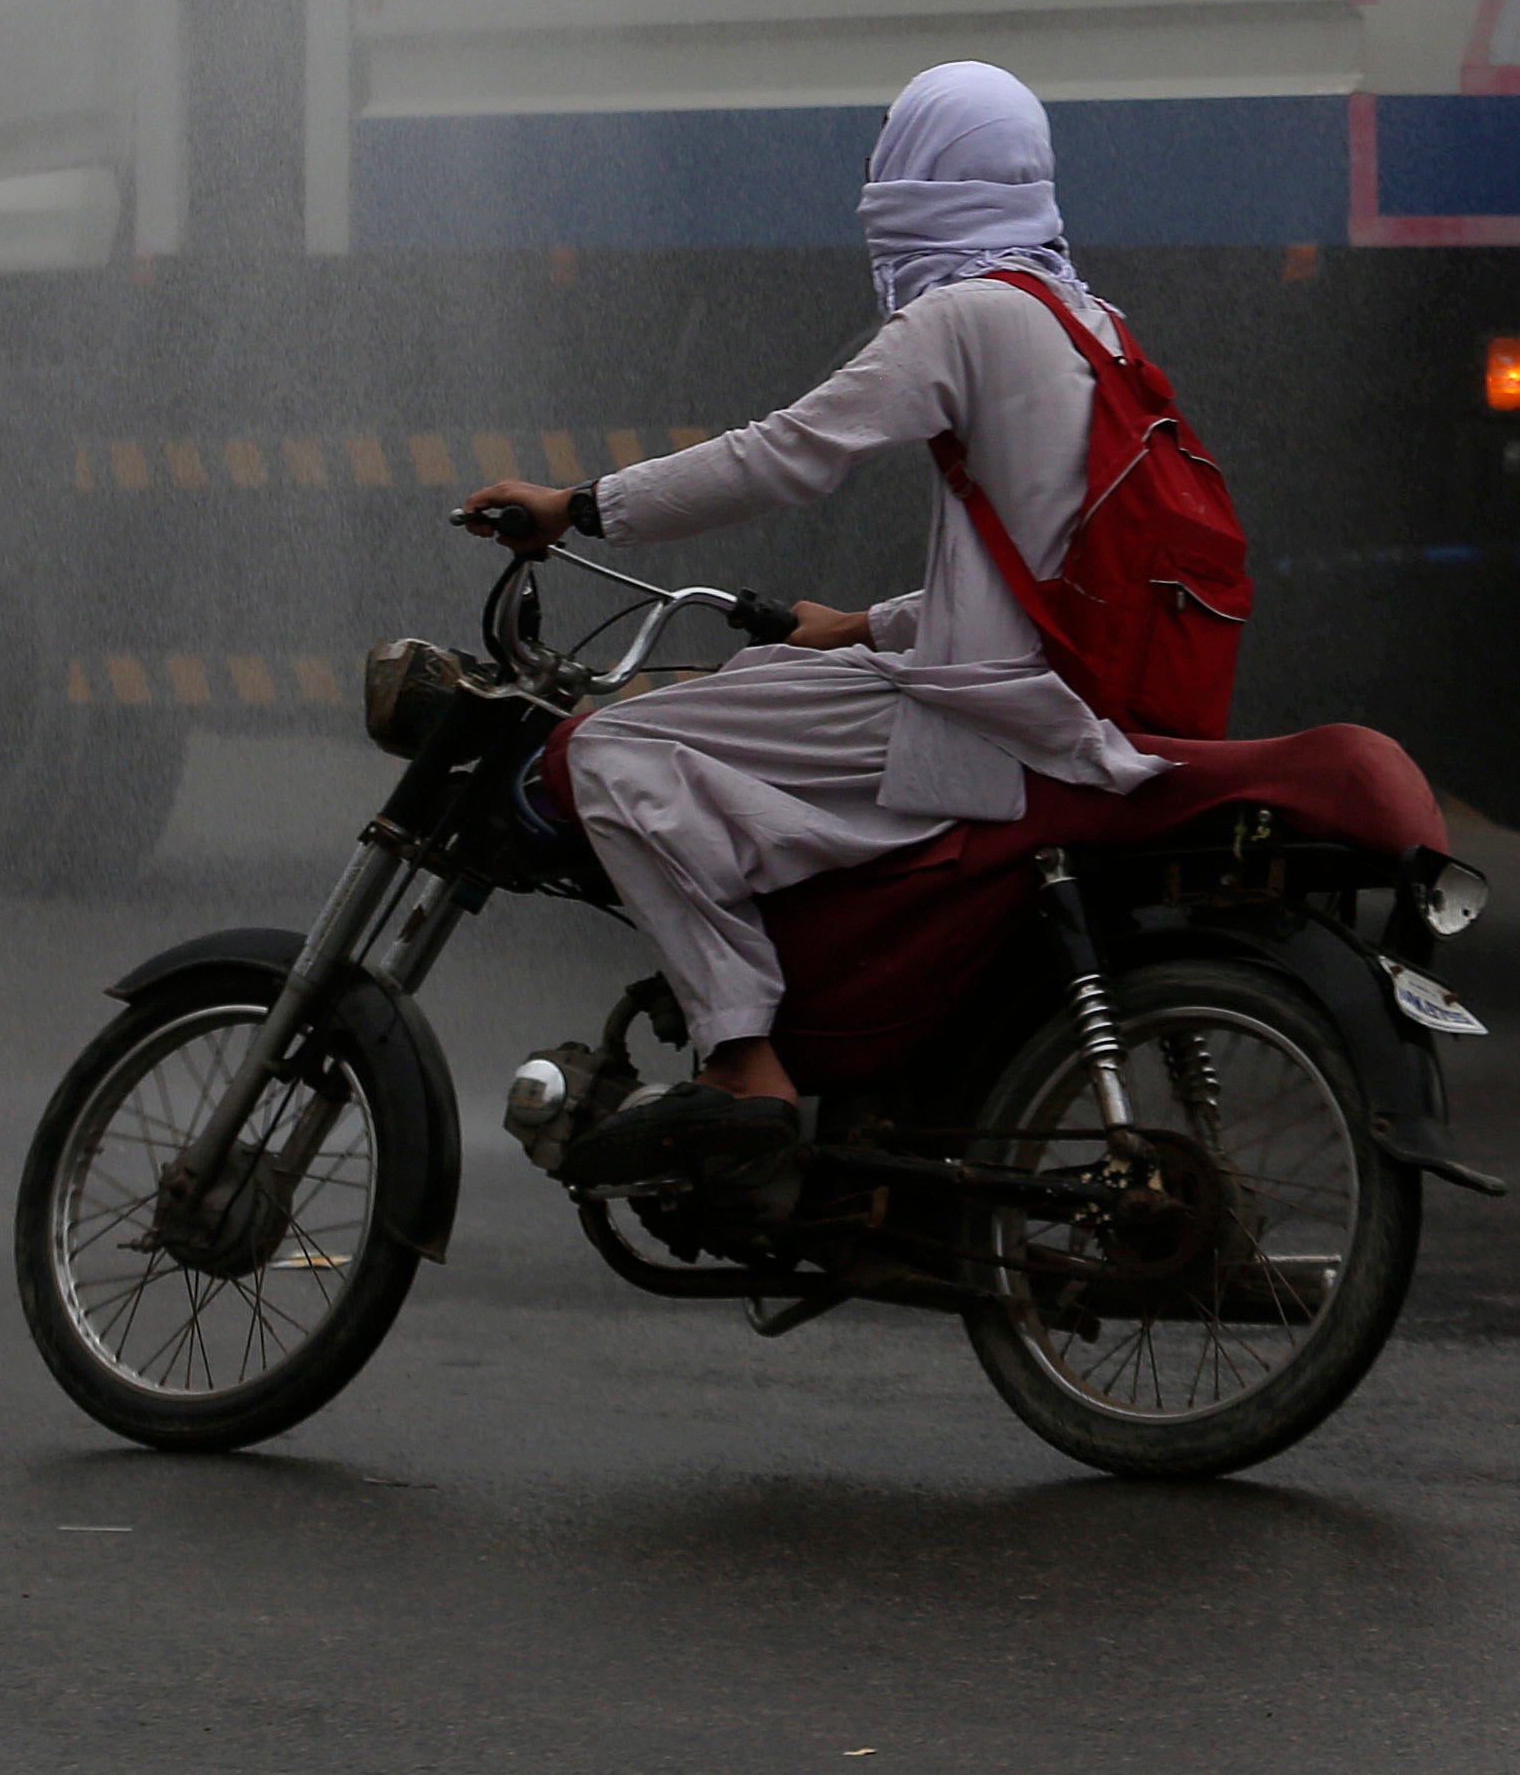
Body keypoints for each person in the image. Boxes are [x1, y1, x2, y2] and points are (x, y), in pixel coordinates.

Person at [458, 59, 1172, 1186]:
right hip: (1050, 689)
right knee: (730, 717)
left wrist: (581, 508)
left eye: (892, 156)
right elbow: (1044, 569)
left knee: (614, 747)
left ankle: (742, 1058)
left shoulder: (971, 314)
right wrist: (864, 627)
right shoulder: (1089, 320)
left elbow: (786, 456)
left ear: (928, 172)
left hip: (991, 722)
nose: (875, 183)